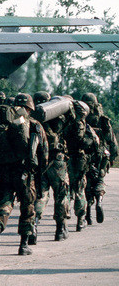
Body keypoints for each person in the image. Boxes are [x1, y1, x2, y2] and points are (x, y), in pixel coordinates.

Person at [0, 93, 47, 259]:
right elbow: (43, 154)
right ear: (30, 107)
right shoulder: (34, 125)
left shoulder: (4, 126)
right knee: (28, 208)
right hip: (25, 174)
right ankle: (23, 245)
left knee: (4, 206)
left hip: (4, 172)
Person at [32, 92, 71, 242]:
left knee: (40, 196)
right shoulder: (58, 118)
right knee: (61, 194)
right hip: (57, 161)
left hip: (40, 162)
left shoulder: (31, 119)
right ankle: (60, 229)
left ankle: (34, 226)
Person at [63, 100, 99, 232]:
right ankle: (80, 219)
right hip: (79, 159)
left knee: (65, 190)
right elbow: (93, 143)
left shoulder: (64, 122)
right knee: (79, 189)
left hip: (65, 158)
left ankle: (63, 220)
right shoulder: (82, 124)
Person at [81, 92, 117, 224]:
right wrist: (112, 157)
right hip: (101, 156)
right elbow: (112, 141)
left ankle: (88, 216)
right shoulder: (103, 120)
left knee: (86, 184)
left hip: (85, 155)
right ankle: (99, 201)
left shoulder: (81, 119)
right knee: (100, 180)